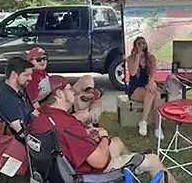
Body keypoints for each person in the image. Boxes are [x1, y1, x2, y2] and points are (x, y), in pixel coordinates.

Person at [30, 75, 177, 183]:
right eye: (69, 89)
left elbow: (65, 142)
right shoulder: (67, 124)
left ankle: (130, 171)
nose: (73, 92)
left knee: (117, 142)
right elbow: (99, 162)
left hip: (64, 171)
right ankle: (130, 167)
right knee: (153, 160)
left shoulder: (39, 122)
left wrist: (86, 134)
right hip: (90, 175)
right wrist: (104, 136)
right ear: (59, 94)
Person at [26, 47, 102, 127]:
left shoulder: (42, 73)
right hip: (59, 104)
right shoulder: (31, 79)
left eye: (45, 58)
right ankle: (86, 100)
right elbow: (36, 104)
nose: (43, 61)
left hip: (62, 97)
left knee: (87, 78)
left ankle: (88, 93)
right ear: (30, 61)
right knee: (88, 110)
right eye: (39, 59)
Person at [127, 36, 163, 138]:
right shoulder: (130, 59)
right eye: (139, 44)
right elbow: (133, 73)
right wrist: (138, 55)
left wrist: (151, 82)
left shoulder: (151, 58)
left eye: (144, 43)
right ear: (135, 46)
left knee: (155, 94)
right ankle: (157, 127)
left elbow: (153, 74)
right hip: (135, 89)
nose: (142, 45)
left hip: (147, 86)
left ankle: (146, 123)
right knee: (154, 94)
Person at [0, 57, 37, 137]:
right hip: (18, 146)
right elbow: (21, 133)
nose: (30, 78)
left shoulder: (21, 92)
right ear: (13, 75)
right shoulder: (6, 99)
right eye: (26, 75)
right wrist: (33, 116)